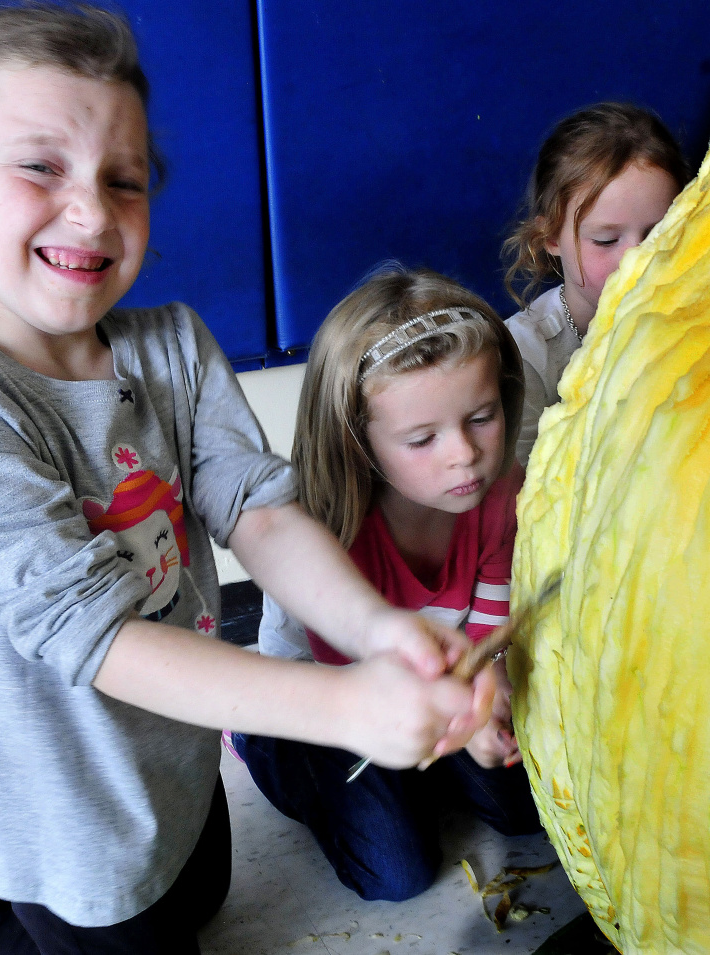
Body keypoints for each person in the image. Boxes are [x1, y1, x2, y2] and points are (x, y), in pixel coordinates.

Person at [0, 6, 497, 954]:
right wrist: (342, 706)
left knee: (195, 897)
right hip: (66, 817)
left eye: (122, 179)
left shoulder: (174, 344)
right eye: (40, 166)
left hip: (178, 762)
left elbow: (258, 509)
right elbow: (97, 637)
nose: (90, 210)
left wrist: (375, 630)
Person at [232, 263, 543, 904]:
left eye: (481, 417)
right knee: (395, 875)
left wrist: (488, 699)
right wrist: (453, 716)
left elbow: (490, 612)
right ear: (359, 444)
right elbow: (350, 666)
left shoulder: (496, 489)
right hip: (333, 695)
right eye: (422, 438)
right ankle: (260, 748)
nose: (464, 455)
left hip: (433, 680)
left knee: (525, 813)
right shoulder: (333, 523)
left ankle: (425, 771)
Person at [502, 102, 690, 465]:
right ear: (551, 238)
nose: (638, 260)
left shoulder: (704, 317)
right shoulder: (525, 355)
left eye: (662, 233)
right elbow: (522, 497)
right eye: (605, 241)